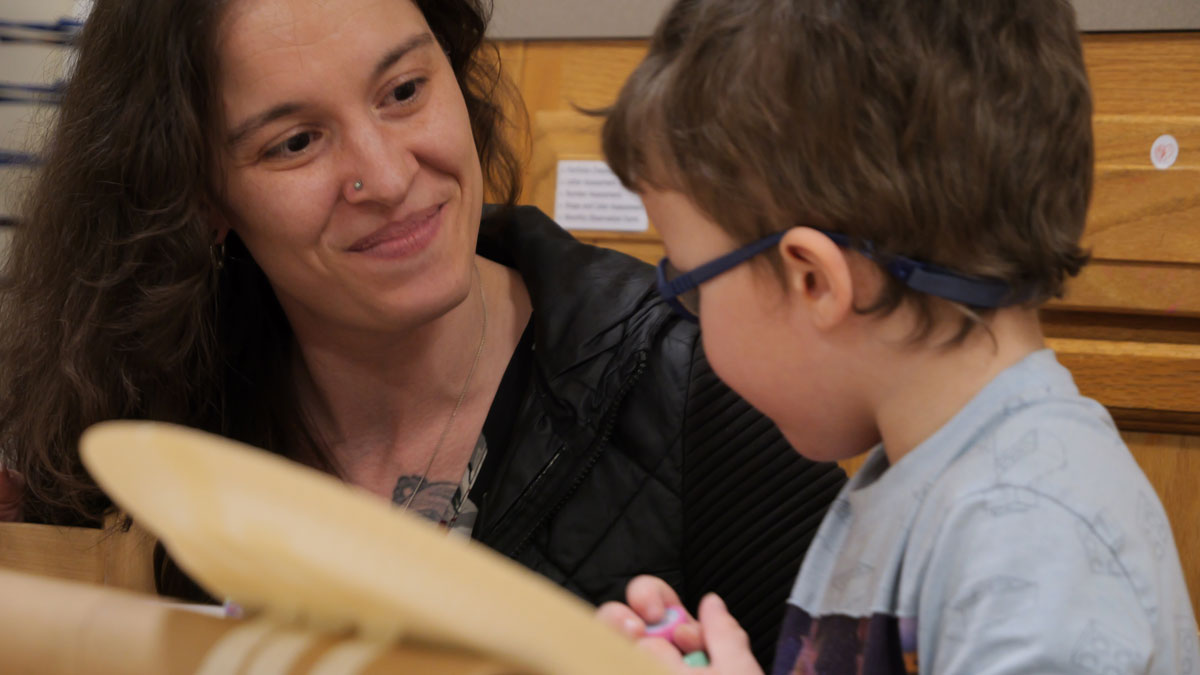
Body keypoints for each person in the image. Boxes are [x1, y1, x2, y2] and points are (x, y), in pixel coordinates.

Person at [0, 0, 845, 664]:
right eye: (296, 142)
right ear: (201, 197)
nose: (389, 173)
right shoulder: (134, 412)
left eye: (404, 92)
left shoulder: (703, 393)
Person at [595, 0, 1200, 672]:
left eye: (689, 279)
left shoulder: (1028, 537)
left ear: (814, 281)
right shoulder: (933, 478)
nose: (689, 304)